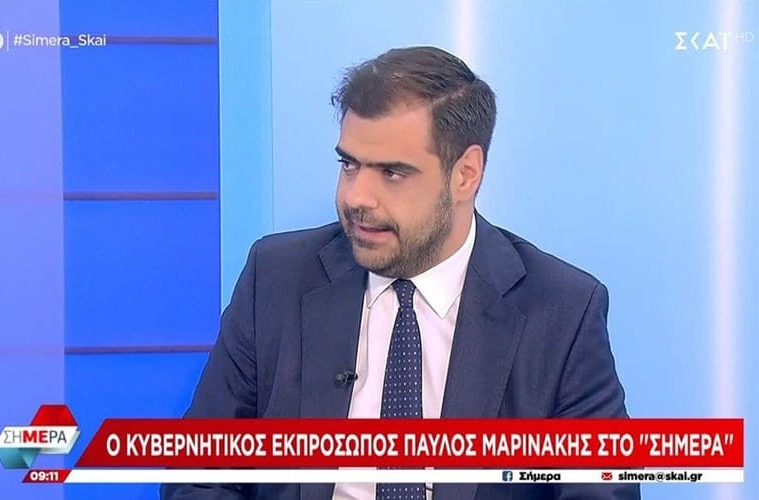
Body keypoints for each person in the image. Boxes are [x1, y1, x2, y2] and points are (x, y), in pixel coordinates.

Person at [161, 46, 639, 500]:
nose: (356, 197)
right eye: (349, 164)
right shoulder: (277, 277)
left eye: (392, 172)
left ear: (465, 174)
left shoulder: (561, 311)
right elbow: (199, 475)